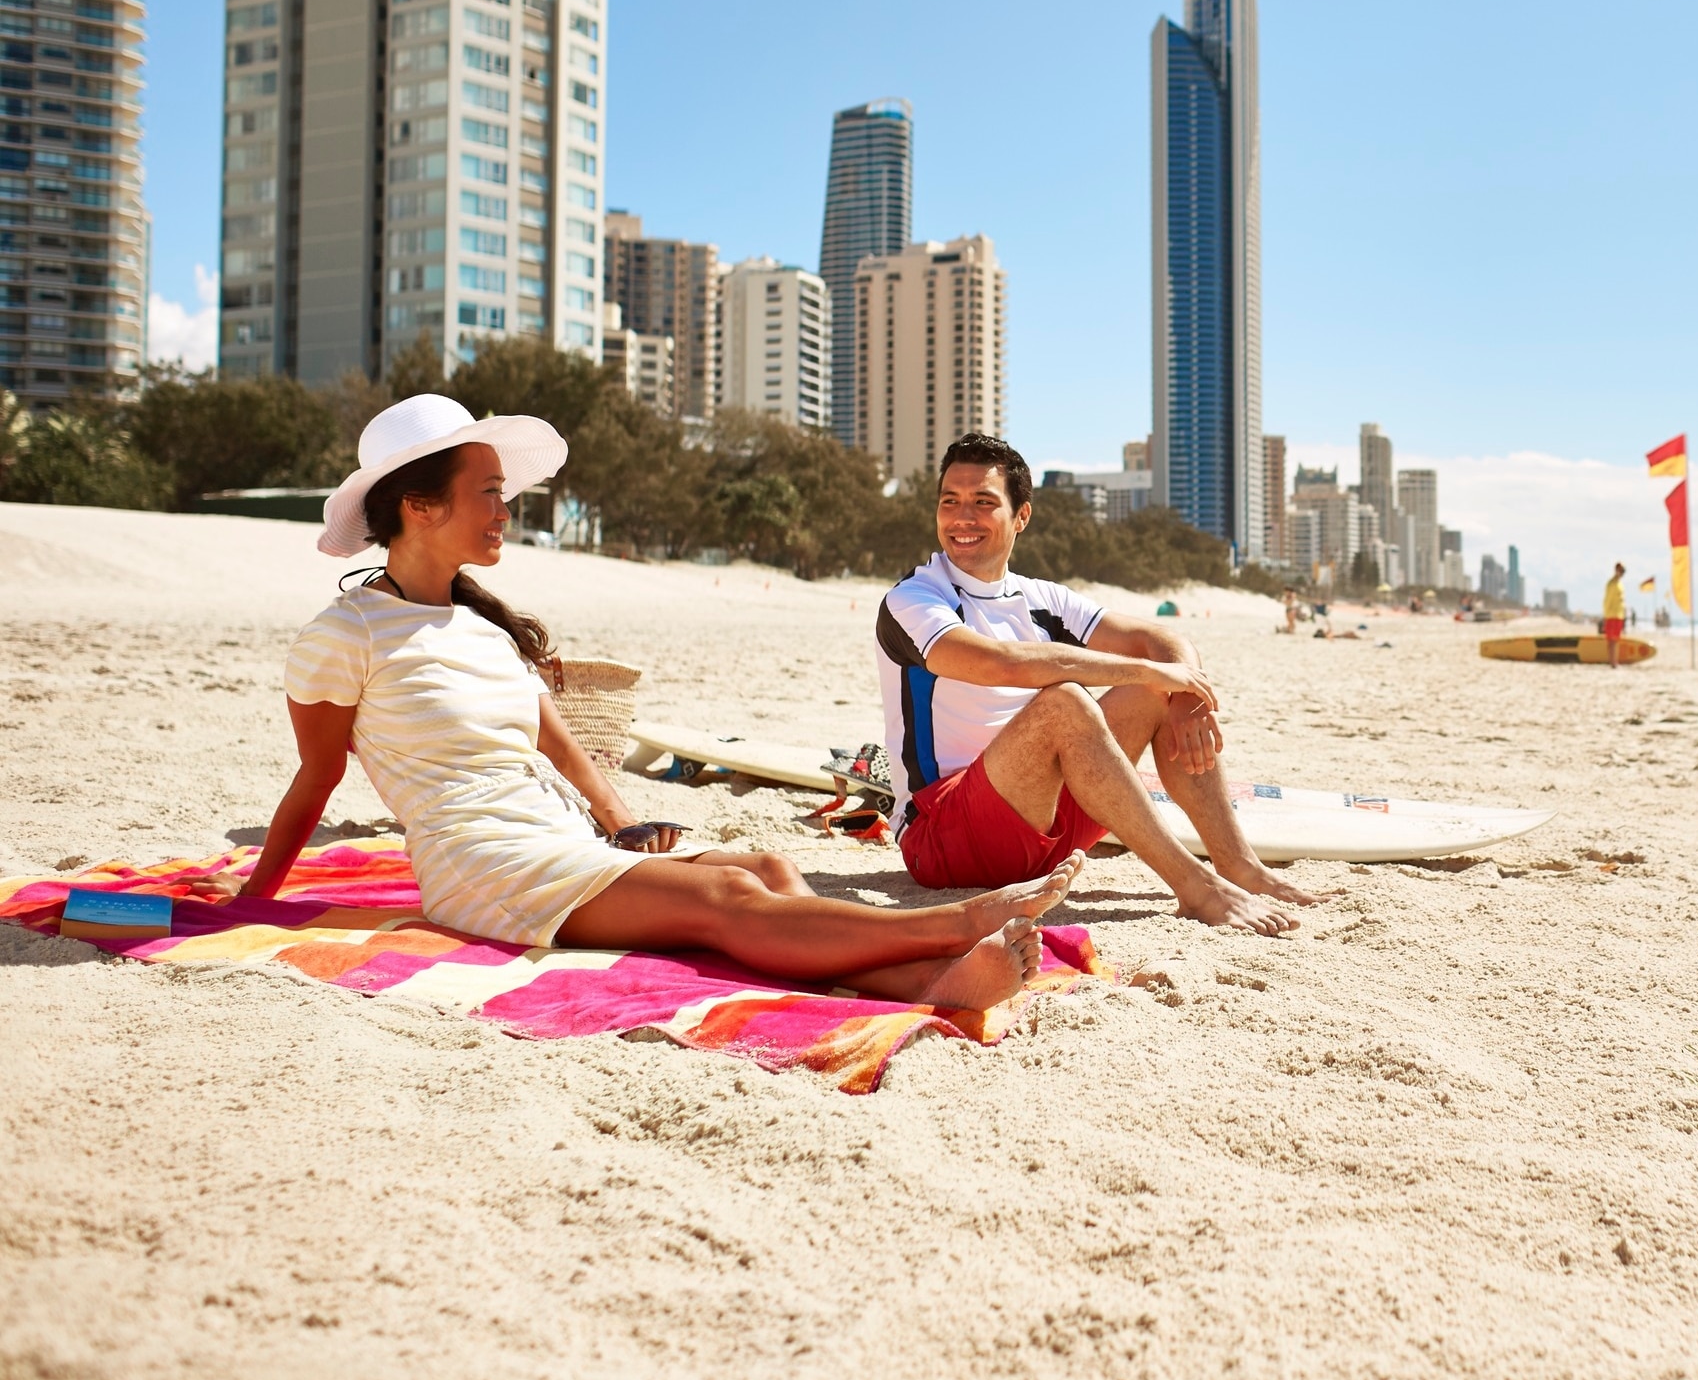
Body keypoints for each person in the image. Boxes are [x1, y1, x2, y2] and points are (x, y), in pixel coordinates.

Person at [193, 396, 1071, 1012]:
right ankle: (952, 929)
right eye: (488, 492)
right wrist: (251, 898)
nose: (507, 509)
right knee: (724, 895)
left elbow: (552, 735)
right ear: (419, 506)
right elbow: (314, 779)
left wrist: (618, 819)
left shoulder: (478, 626)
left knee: (761, 868)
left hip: (552, 838)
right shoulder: (346, 633)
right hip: (482, 865)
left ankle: (926, 984)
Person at [875, 432, 1330, 938]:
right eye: (950, 502)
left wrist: (1185, 697)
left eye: (983, 503)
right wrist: (1147, 670)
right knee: (1065, 702)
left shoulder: (1041, 598)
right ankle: (1197, 888)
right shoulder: (914, 598)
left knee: (1155, 693)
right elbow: (1002, 663)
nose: (962, 518)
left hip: (1048, 831)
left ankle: (1238, 865)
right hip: (946, 838)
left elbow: (1161, 639)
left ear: (1021, 516)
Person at [1602, 562, 1628, 667]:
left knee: (1616, 640)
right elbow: (1607, 600)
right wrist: (1606, 614)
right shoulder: (1611, 584)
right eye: (1620, 571)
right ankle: (1613, 663)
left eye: (1623, 571)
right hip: (1611, 614)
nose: (1621, 573)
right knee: (1611, 640)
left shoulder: (1620, 585)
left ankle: (1614, 662)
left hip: (1619, 615)